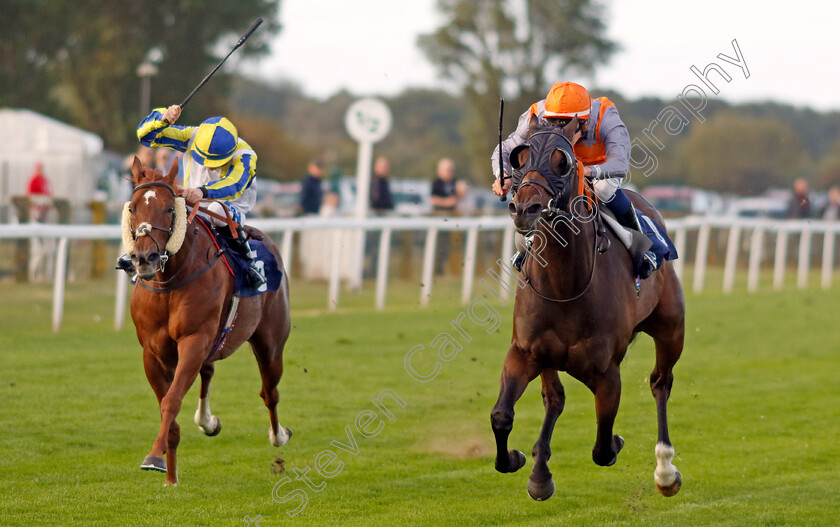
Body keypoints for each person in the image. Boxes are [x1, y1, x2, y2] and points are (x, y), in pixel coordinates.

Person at [491, 81, 663, 278]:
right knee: (535, 188)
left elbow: (620, 164)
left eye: (565, 123)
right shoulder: (537, 112)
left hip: (598, 169)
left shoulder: (606, 117)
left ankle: (641, 246)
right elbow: (504, 149)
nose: (558, 128)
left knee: (604, 189)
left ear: (586, 121)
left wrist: (586, 171)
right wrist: (501, 174)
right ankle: (529, 242)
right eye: (553, 122)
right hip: (556, 167)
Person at [116, 104, 265, 288]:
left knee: (216, 210)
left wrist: (202, 191)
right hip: (189, 200)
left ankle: (247, 263)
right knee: (162, 210)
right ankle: (142, 256)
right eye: (203, 158)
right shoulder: (191, 135)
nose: (208, 166)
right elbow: (145, 136)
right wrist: (162, 118)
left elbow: (235, 184)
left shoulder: (246, 155)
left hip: (228, 206)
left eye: (215, 162)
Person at [430, 158, 460, 274]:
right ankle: (436, 270)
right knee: (438, 247)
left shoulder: (453, 182)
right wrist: (447, 202)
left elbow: (456, 199)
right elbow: (432, 199)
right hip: (438, 219)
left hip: (450, 220)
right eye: (448, 170)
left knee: (447, 247)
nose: (450, 172)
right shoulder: (437, 183)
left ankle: (442, 271)